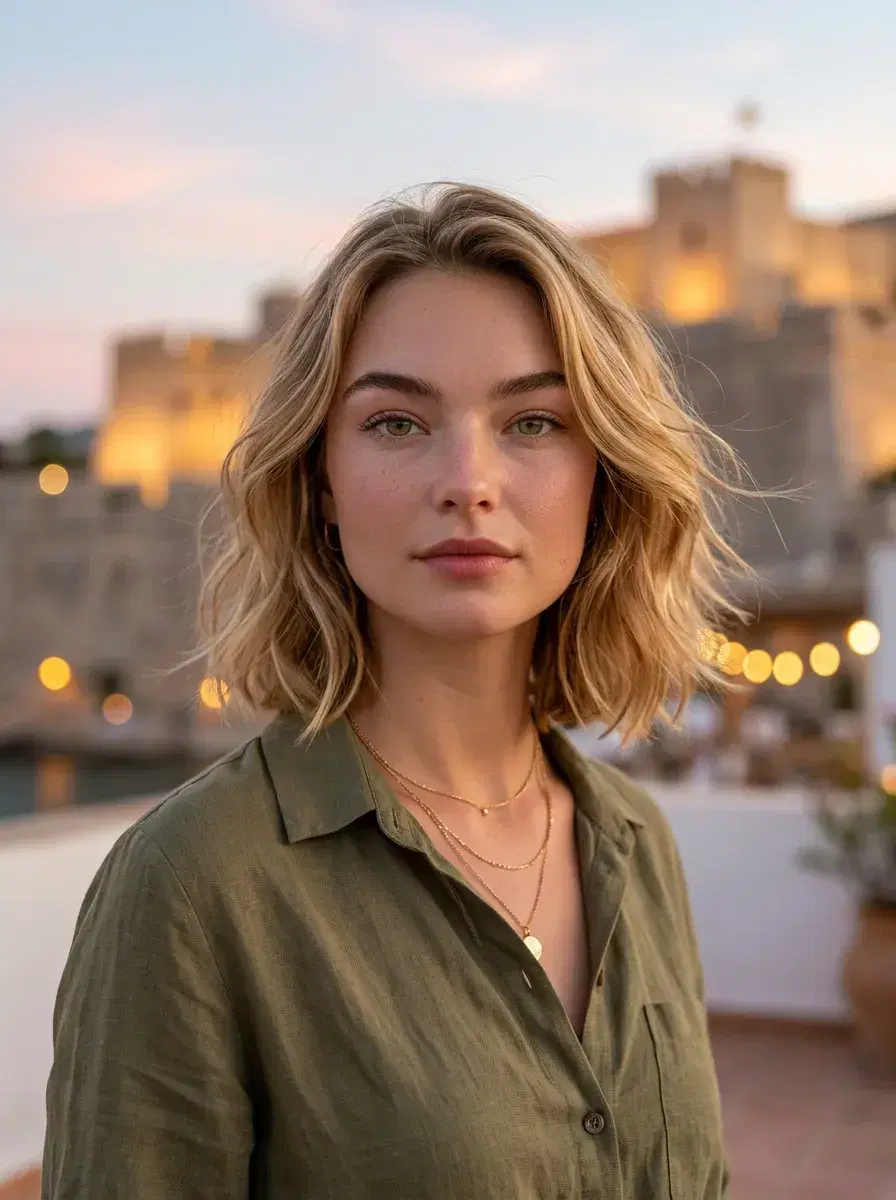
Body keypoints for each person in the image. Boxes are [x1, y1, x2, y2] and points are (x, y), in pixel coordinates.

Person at [43, 183, 742, 1198]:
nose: (467, 478)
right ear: (320, 477)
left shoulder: (635, 843)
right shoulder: (194, 888)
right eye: (398, 422)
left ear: (605, 474)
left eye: (534, 420)